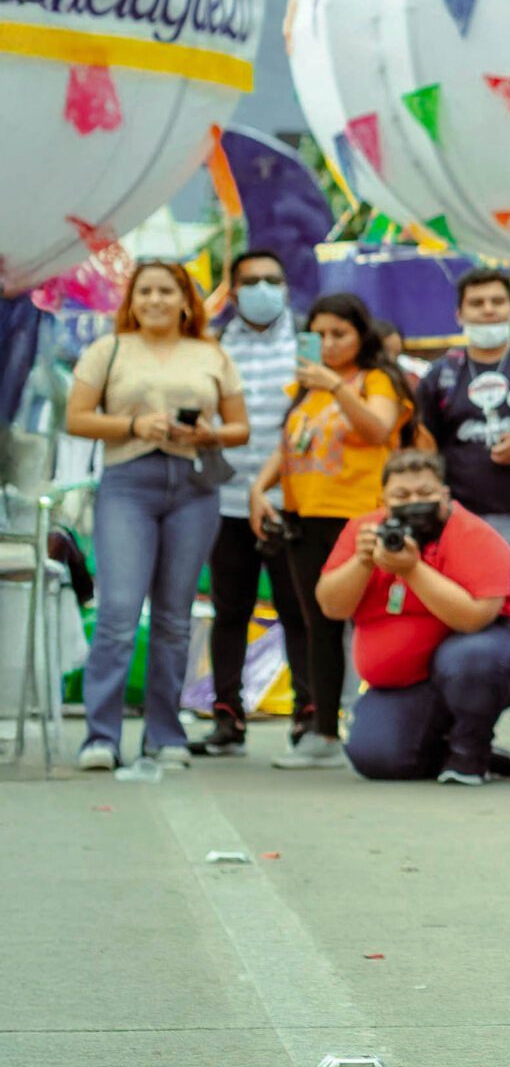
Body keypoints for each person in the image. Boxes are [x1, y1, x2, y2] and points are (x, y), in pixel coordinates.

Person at [63, 262, 249, 772]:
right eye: (144, 291)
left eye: (166, 291)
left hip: (194, 487)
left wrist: (207, 434)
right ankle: (100, 735)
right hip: (128, 484)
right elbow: (75, 418)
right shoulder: (110, 349)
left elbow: (240, 429)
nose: (155, 300)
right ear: (132, 300)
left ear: (187, 300)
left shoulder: (210, 354)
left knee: (174, 617)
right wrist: (133, 423)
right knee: (119, 612)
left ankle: (164, 733)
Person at [246, 293, 414, 769]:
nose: (327, 343)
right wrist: (260, 489)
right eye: (318, 334)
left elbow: (380, 429)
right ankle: (321, 731)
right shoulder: (307, 387)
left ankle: (376, 721)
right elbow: (291, 446)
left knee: (371, 619)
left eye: (338, 334)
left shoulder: (377, 379)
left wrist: (338, 388)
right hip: (305, 516)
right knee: (316, 623)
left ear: (362, 335)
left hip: (358, 515)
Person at [326, 449, 510, 785]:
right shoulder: (364, 530)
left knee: (471, 657)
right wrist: (361, 563)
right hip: (405, 683)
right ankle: (445, 750)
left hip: (482, 660)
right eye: (402, 495)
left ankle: (471, 749)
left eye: (425, 493)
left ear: (445, 494)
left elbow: (475, 618)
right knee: (377, 758)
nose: (413, 502)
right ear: (383, 500)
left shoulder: (473, 534)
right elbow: (332, 606)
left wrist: (412, 570)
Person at [200, 249, 301, 756]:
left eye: (273, 279)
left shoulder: (308, 345)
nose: (264, 289)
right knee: (230, 610)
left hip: (294, 501)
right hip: (227, 499)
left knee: (298, 609)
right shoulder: (214, 348)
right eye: (252, 281)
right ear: (233, 292)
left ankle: (311, 713)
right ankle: (226, 714)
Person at [411, 267, 510, 559]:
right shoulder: (442, 373)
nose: (489, 310)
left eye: (497, 301)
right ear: (459, 314)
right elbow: (424, 444)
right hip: (462, 517)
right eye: (477, 303)